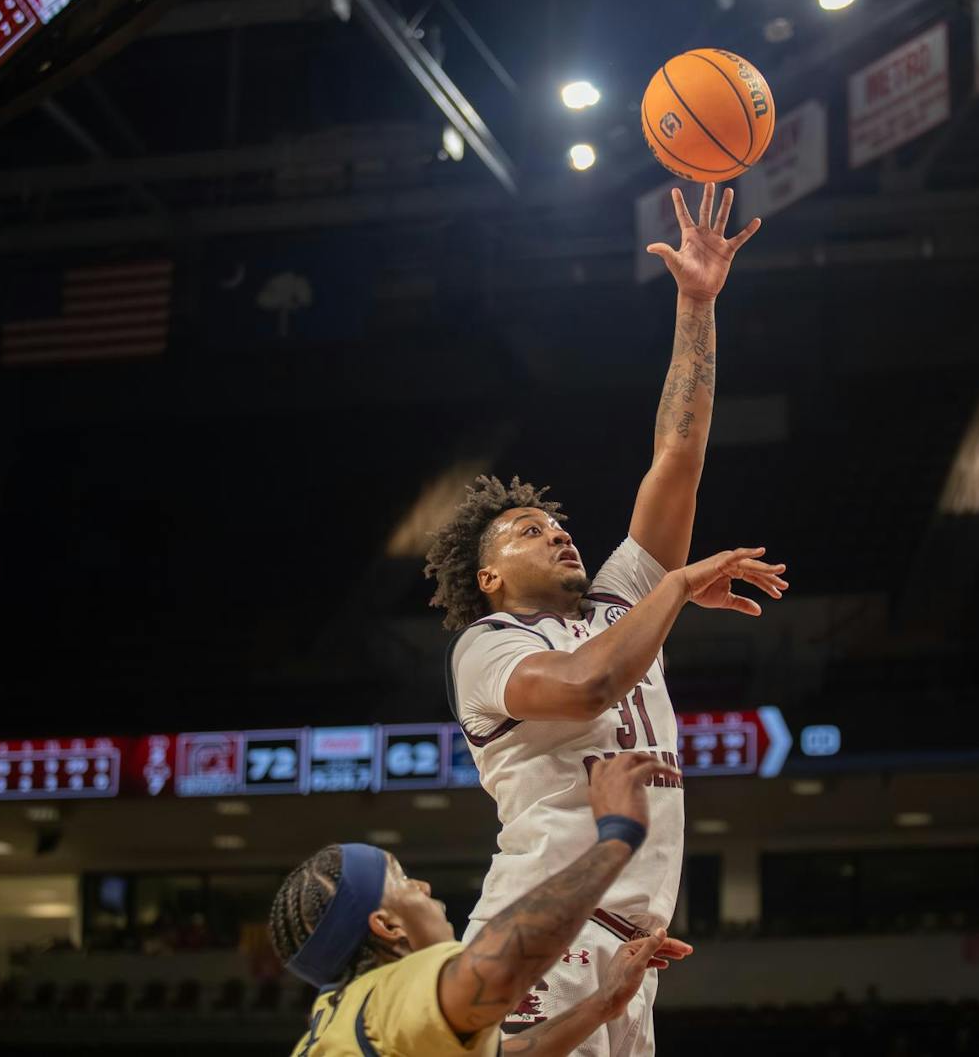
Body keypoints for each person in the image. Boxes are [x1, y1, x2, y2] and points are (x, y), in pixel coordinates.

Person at [425, 182, 785, 1055]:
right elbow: (592, 683)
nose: (556, 531)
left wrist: (696, 304)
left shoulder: (619, 598)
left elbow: (679, 454)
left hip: (632, 950)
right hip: (543, 930)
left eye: (557, 523)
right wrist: (676, 586)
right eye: (527, 530)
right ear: (487, 575)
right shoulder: (487, 647)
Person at [269, 753, 690, 1056]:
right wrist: (617, 837)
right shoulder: (389, 995)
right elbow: (501, 968)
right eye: (401, 880)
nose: (424, 886)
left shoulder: (343, 1014)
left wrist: (603, 1004)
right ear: (387, 925)